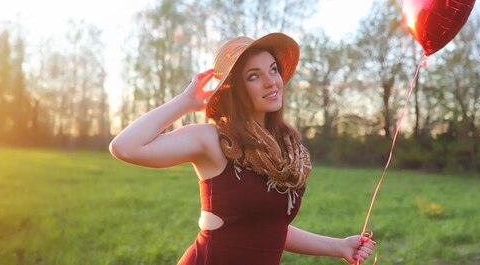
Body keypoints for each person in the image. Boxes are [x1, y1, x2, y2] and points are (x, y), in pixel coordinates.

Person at [109, 32, 376, 264]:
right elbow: (125, 147)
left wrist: (339, 246)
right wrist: (186, 101)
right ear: (234, 89)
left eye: (273, 69)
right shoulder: (212, 140)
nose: (271, 81)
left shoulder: (285, 149)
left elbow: (267, 227)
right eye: (254, 76)